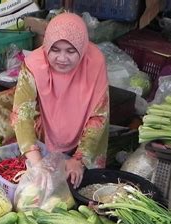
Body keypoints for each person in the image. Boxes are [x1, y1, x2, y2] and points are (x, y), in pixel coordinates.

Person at [12, 12, 109, 188]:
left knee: (86, 187)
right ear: (46, 46)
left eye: (71, 51)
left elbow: (99, 116)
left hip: (85, 138)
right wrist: (37, 162)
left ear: (82, 47)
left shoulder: (95, 62)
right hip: (47, 134)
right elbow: (22, 113)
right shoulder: (34, 64)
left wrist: (79, 158)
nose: (62, 58)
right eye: (55, 50)